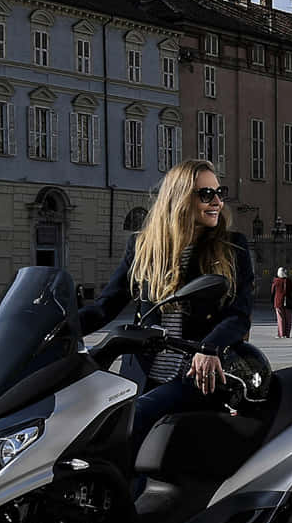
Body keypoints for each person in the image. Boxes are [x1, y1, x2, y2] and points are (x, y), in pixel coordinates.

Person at [78, 159, 254, 463]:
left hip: (198, 375)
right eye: (206, 194)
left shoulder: (232, 247)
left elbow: (239, 314)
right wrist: (52, 331)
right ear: (179, 197)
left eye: (218, 192)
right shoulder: (143, 247)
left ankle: (129, 508)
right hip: (142, 374)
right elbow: (105, 306)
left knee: (137, 418)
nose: (217, 202)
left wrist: (209, 347)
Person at [271, 266, 292, 339]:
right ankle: (287, 334)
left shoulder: (276, 281)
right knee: (288, 319)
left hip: (278, 302)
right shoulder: (288, 281)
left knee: (280, 318)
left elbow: (272, 292)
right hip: (288, 302)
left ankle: (281, 334)